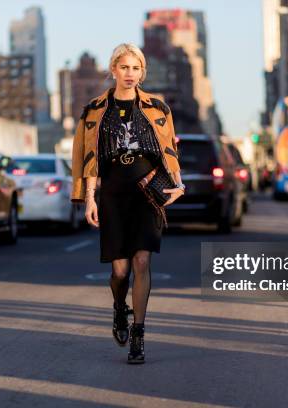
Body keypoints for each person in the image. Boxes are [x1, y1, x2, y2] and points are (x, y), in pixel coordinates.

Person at [71, 43, 185, 364]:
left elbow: (169, 151)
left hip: (146, 194)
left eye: (136, 68)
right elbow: (86, 158)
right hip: (112, 195)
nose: (130, 74)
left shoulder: (157, 108)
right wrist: (90, 196)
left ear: (142, 72)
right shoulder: (94, 109)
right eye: (124, 67)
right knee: (119, 270)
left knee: (141, 263)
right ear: (113, 70)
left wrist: (177, 183)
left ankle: (139, 332)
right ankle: (120, 308)